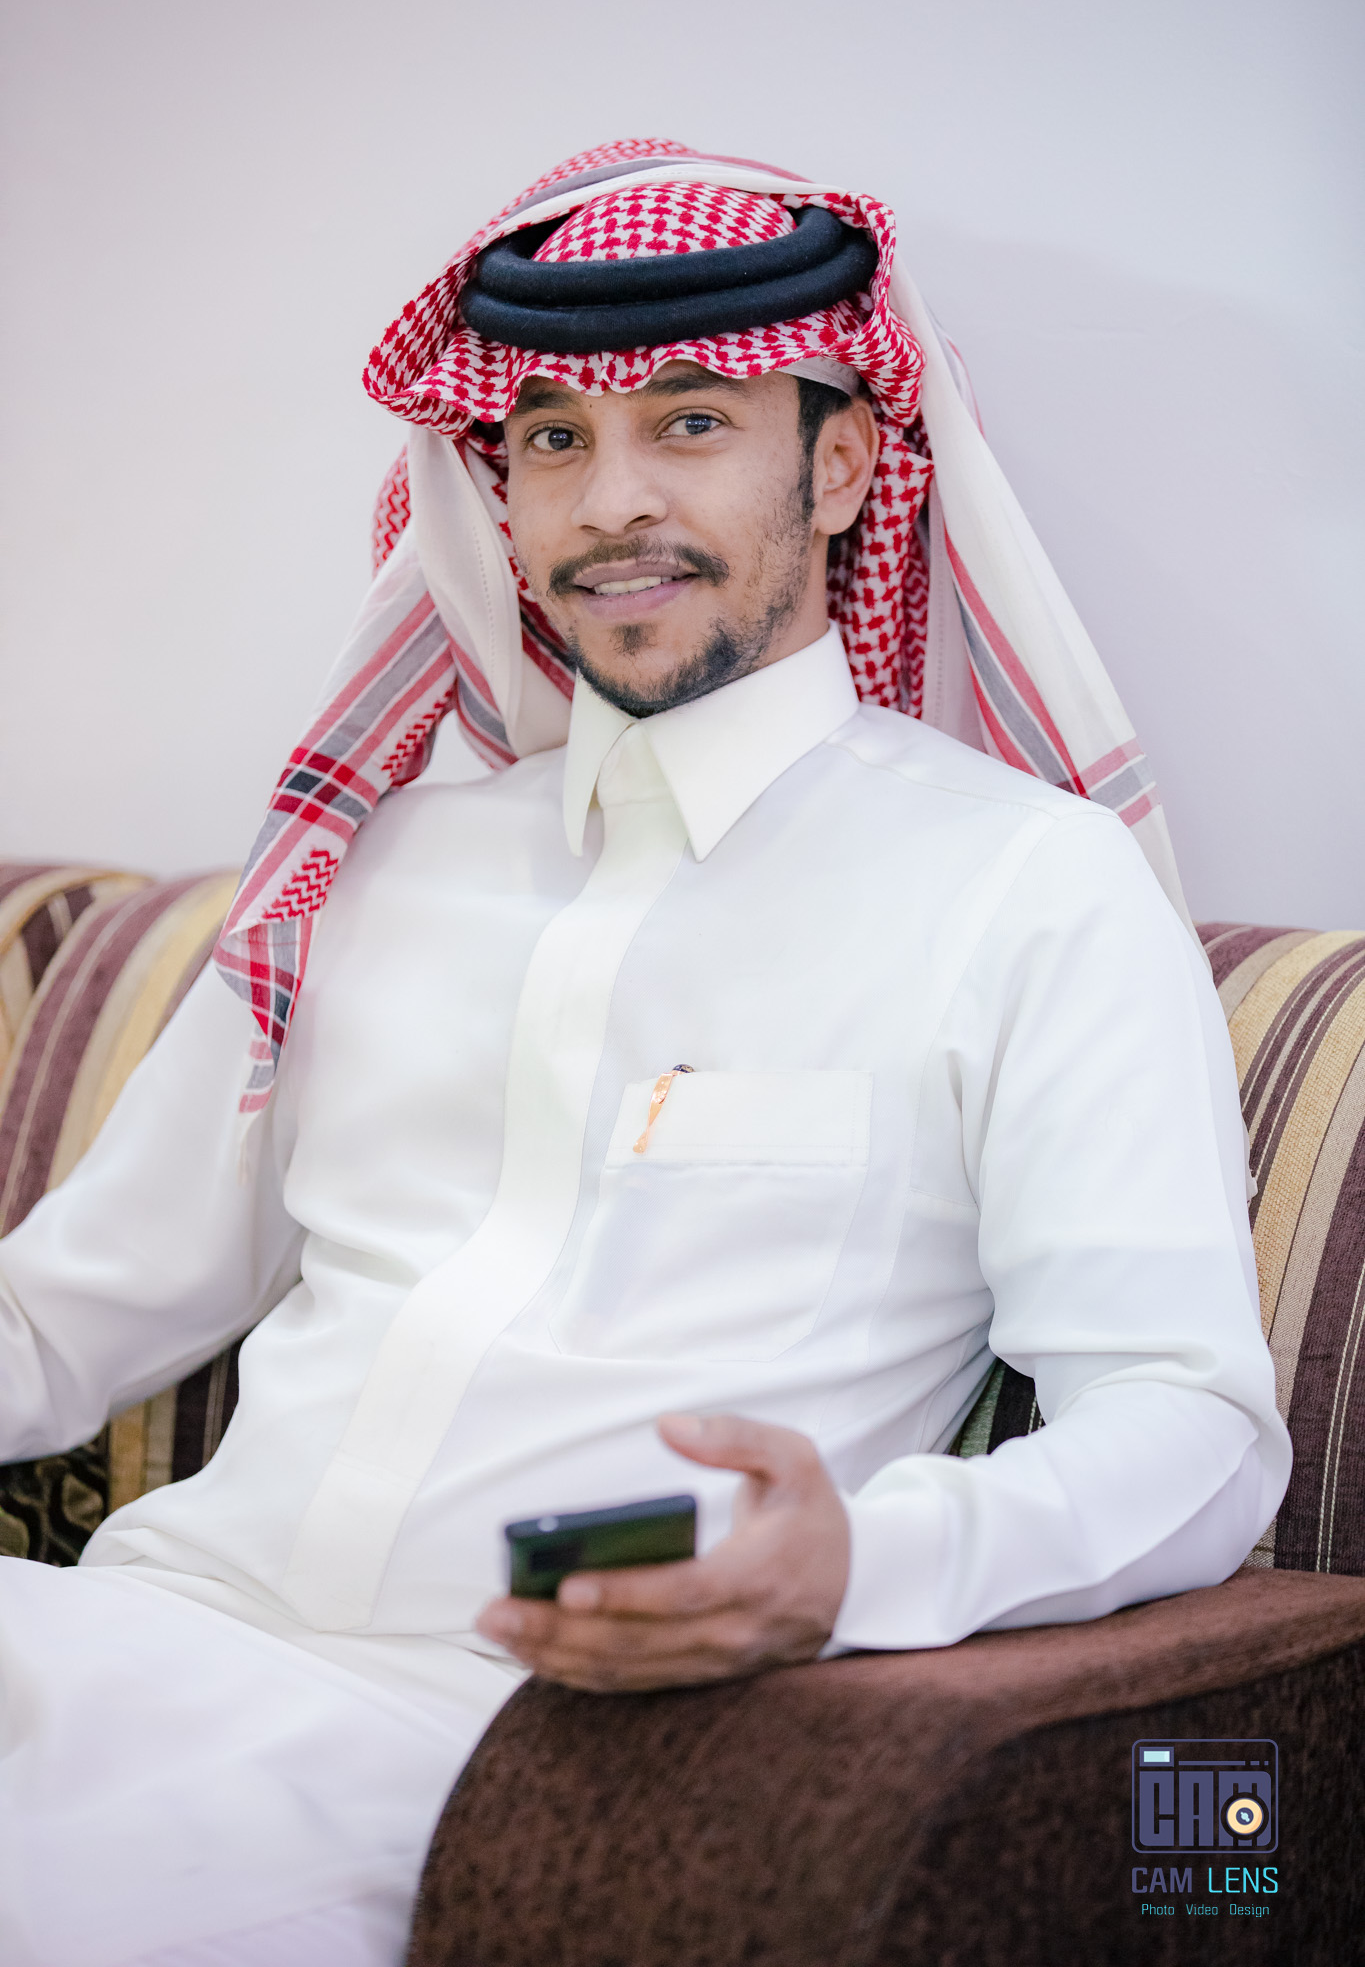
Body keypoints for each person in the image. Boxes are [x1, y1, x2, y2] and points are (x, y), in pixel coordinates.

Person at [0, 139, 1288, 1967]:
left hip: (487, 1757)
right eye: (551, 439)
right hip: (111, 1636)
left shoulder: (1025, 889)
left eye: (690, 423)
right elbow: (62, 1318)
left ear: (841, 467)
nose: (611, 502)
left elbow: (1191, 1427)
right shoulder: (370, 868)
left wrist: (866, 1564)